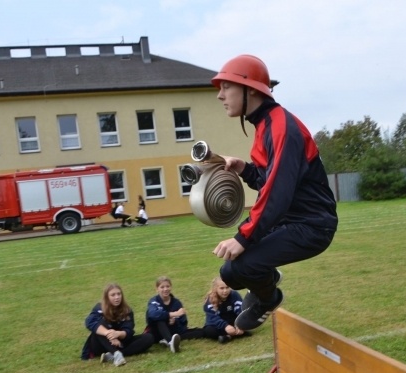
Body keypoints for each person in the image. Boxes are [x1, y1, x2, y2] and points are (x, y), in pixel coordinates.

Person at [210, 54, 338, 331]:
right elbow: (268, 180)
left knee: (242, 267)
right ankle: (266, 280)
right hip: (287, 220)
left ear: (251, 90)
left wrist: (244, 237)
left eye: (226, 87)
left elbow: (278, 193)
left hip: (311, 226)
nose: (220, 95)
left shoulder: (281, 127)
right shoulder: (264, 124)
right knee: (230, 271)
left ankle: (269, 298)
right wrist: (244, 168)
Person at [81, 283, 154, 366]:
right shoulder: (100, 308)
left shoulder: (127, 310)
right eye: (113, 295)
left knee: (149, 337)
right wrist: (109, 334)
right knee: (99, 325)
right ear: (107, 297)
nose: (117, 297)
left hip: (120, 342)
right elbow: (89, 322)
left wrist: (118, 334)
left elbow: (129, 330)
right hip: (101, 344)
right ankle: (116, 354)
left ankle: (113, 355)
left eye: (119, 294)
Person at [145, 276, 205, 353]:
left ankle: (168, 339)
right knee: (160, 319)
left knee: (200, 332)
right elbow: (152, 314)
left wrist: (174, 321)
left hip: (173, 331)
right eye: (162, 287)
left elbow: (183, 322)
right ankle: (170, 343)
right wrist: (171, 315)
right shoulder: (154, 301)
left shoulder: (176, 303)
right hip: (156, 332)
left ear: (171, 287)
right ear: (157, 289)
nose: (165, 289)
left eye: (167, 286)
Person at [202, 277, 251, 343]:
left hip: (233, 322)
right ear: (215, 289)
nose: (225, 291)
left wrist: (239, 325)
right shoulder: (210, 299)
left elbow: (240, 311)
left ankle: (228, 336)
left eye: (227, 287)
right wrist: (225, 326)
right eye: (222, 288)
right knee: (209, 331)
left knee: (248, 322)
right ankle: (236, 334)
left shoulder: (234, 295)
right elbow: (213, 318)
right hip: (219, 325)